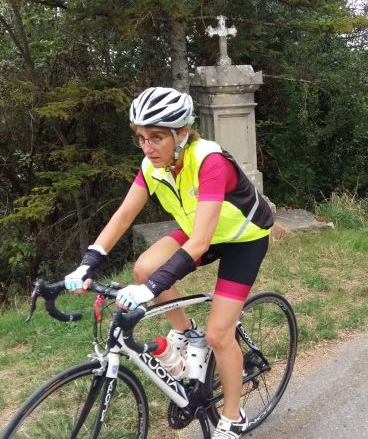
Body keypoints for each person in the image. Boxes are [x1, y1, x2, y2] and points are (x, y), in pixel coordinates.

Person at [64, 86, 273, 439]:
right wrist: (88, 262)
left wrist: (151, 289)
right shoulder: (152, 167)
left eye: (157, 137)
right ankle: (187, 332)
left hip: (243, 239)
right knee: (144, 267)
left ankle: (233, 416)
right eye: (141, 138)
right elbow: (123, 216)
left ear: (183, 133)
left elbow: (200, 243)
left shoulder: (209, 162)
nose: (147, 147)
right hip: (200, 232)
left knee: (219, 333)